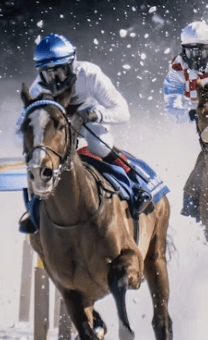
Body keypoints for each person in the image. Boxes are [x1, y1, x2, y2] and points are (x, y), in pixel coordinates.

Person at [18, 33, 149, 234]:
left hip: (89, 122)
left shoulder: (90, 74)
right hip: (57, 132)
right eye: (48, 73)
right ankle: (35, 207)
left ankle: (135, 185)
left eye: (60, 71)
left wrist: (93, 115)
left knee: (100, 144)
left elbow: (123, 112)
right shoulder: (37, 90)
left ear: (72, 64)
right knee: (39, 157)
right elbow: (19, 129)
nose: (56, 79)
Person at [163, 21, 208, 221]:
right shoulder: (177, 69)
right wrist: (191, 114)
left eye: (200, 52)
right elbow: (171, 108)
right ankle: (193, 201)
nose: (195, 58)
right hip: (200, 115)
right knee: (207, 151)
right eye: (190, 52)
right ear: (182, 50)